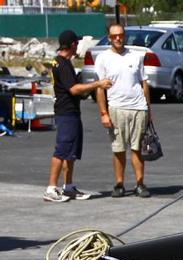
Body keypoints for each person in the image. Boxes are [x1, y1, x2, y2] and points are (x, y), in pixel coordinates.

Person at [43, 30, 112, 202]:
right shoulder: (62, 64)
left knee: (71, 152)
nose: (78, 46)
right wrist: (97, 84)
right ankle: (51, 188)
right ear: (72, 44)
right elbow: (73, 89)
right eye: (77, 43)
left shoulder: (62, 62)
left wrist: (83, 88)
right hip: (66, 113)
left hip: (71, 111)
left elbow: (73, 89)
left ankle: (68, 187)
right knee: (62, 150)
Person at [94, 22, 152, 198]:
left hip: (138, 108)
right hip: (116, 108)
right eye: (114, 36)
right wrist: (103, 113)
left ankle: (140, 184)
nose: (118, 38)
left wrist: (148, 110)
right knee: (118, 149)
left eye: (120, 35)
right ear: (109, 38)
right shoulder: (103, 58)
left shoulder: (136, 57)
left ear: (124, 35)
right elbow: (100, 89)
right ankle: (119, 184)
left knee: (137, 148)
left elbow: (144, 84)